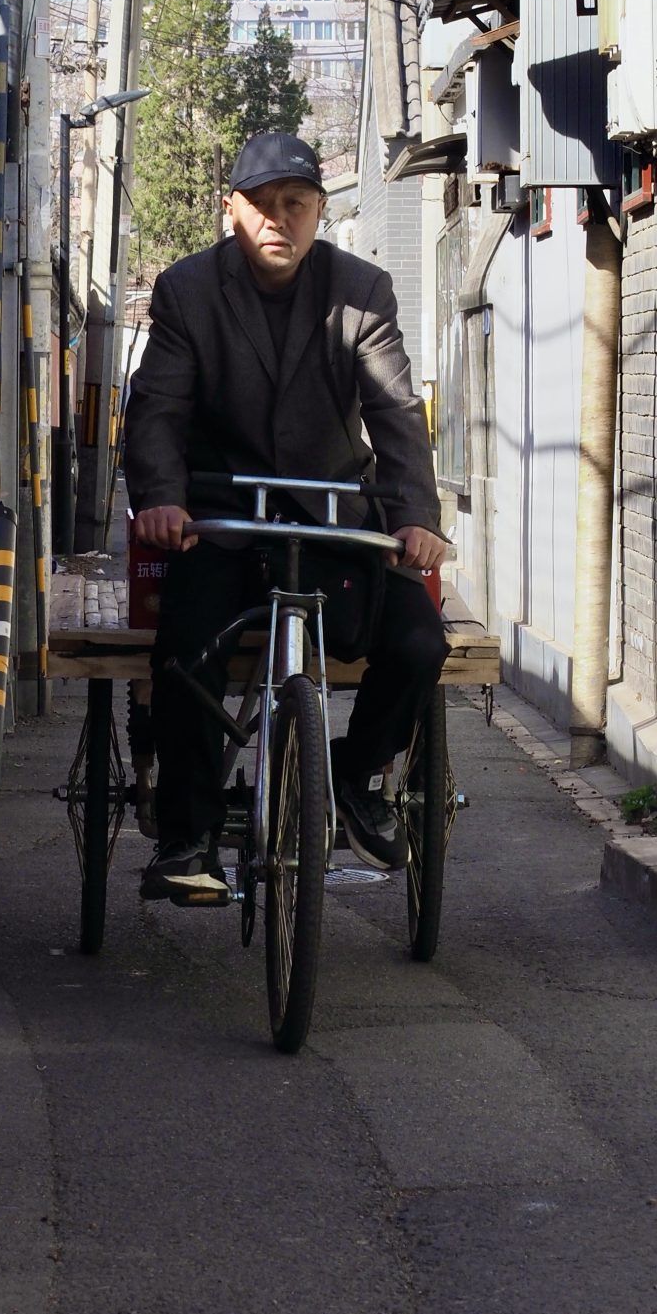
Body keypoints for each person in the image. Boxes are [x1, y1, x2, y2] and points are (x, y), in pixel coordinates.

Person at [124, 130, 448, 904]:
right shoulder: (187, 290)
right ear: (230, 211)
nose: (278, 220)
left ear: (318, 213)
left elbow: (395, 410)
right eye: (261, 205)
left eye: (294, 205)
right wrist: (161, 499)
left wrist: (415, 516)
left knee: (417, 642)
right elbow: (157, 408)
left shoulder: (361, 290)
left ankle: (356, 779)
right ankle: (188, 836)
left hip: (333, 515)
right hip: (222, 516)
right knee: (187, 651)